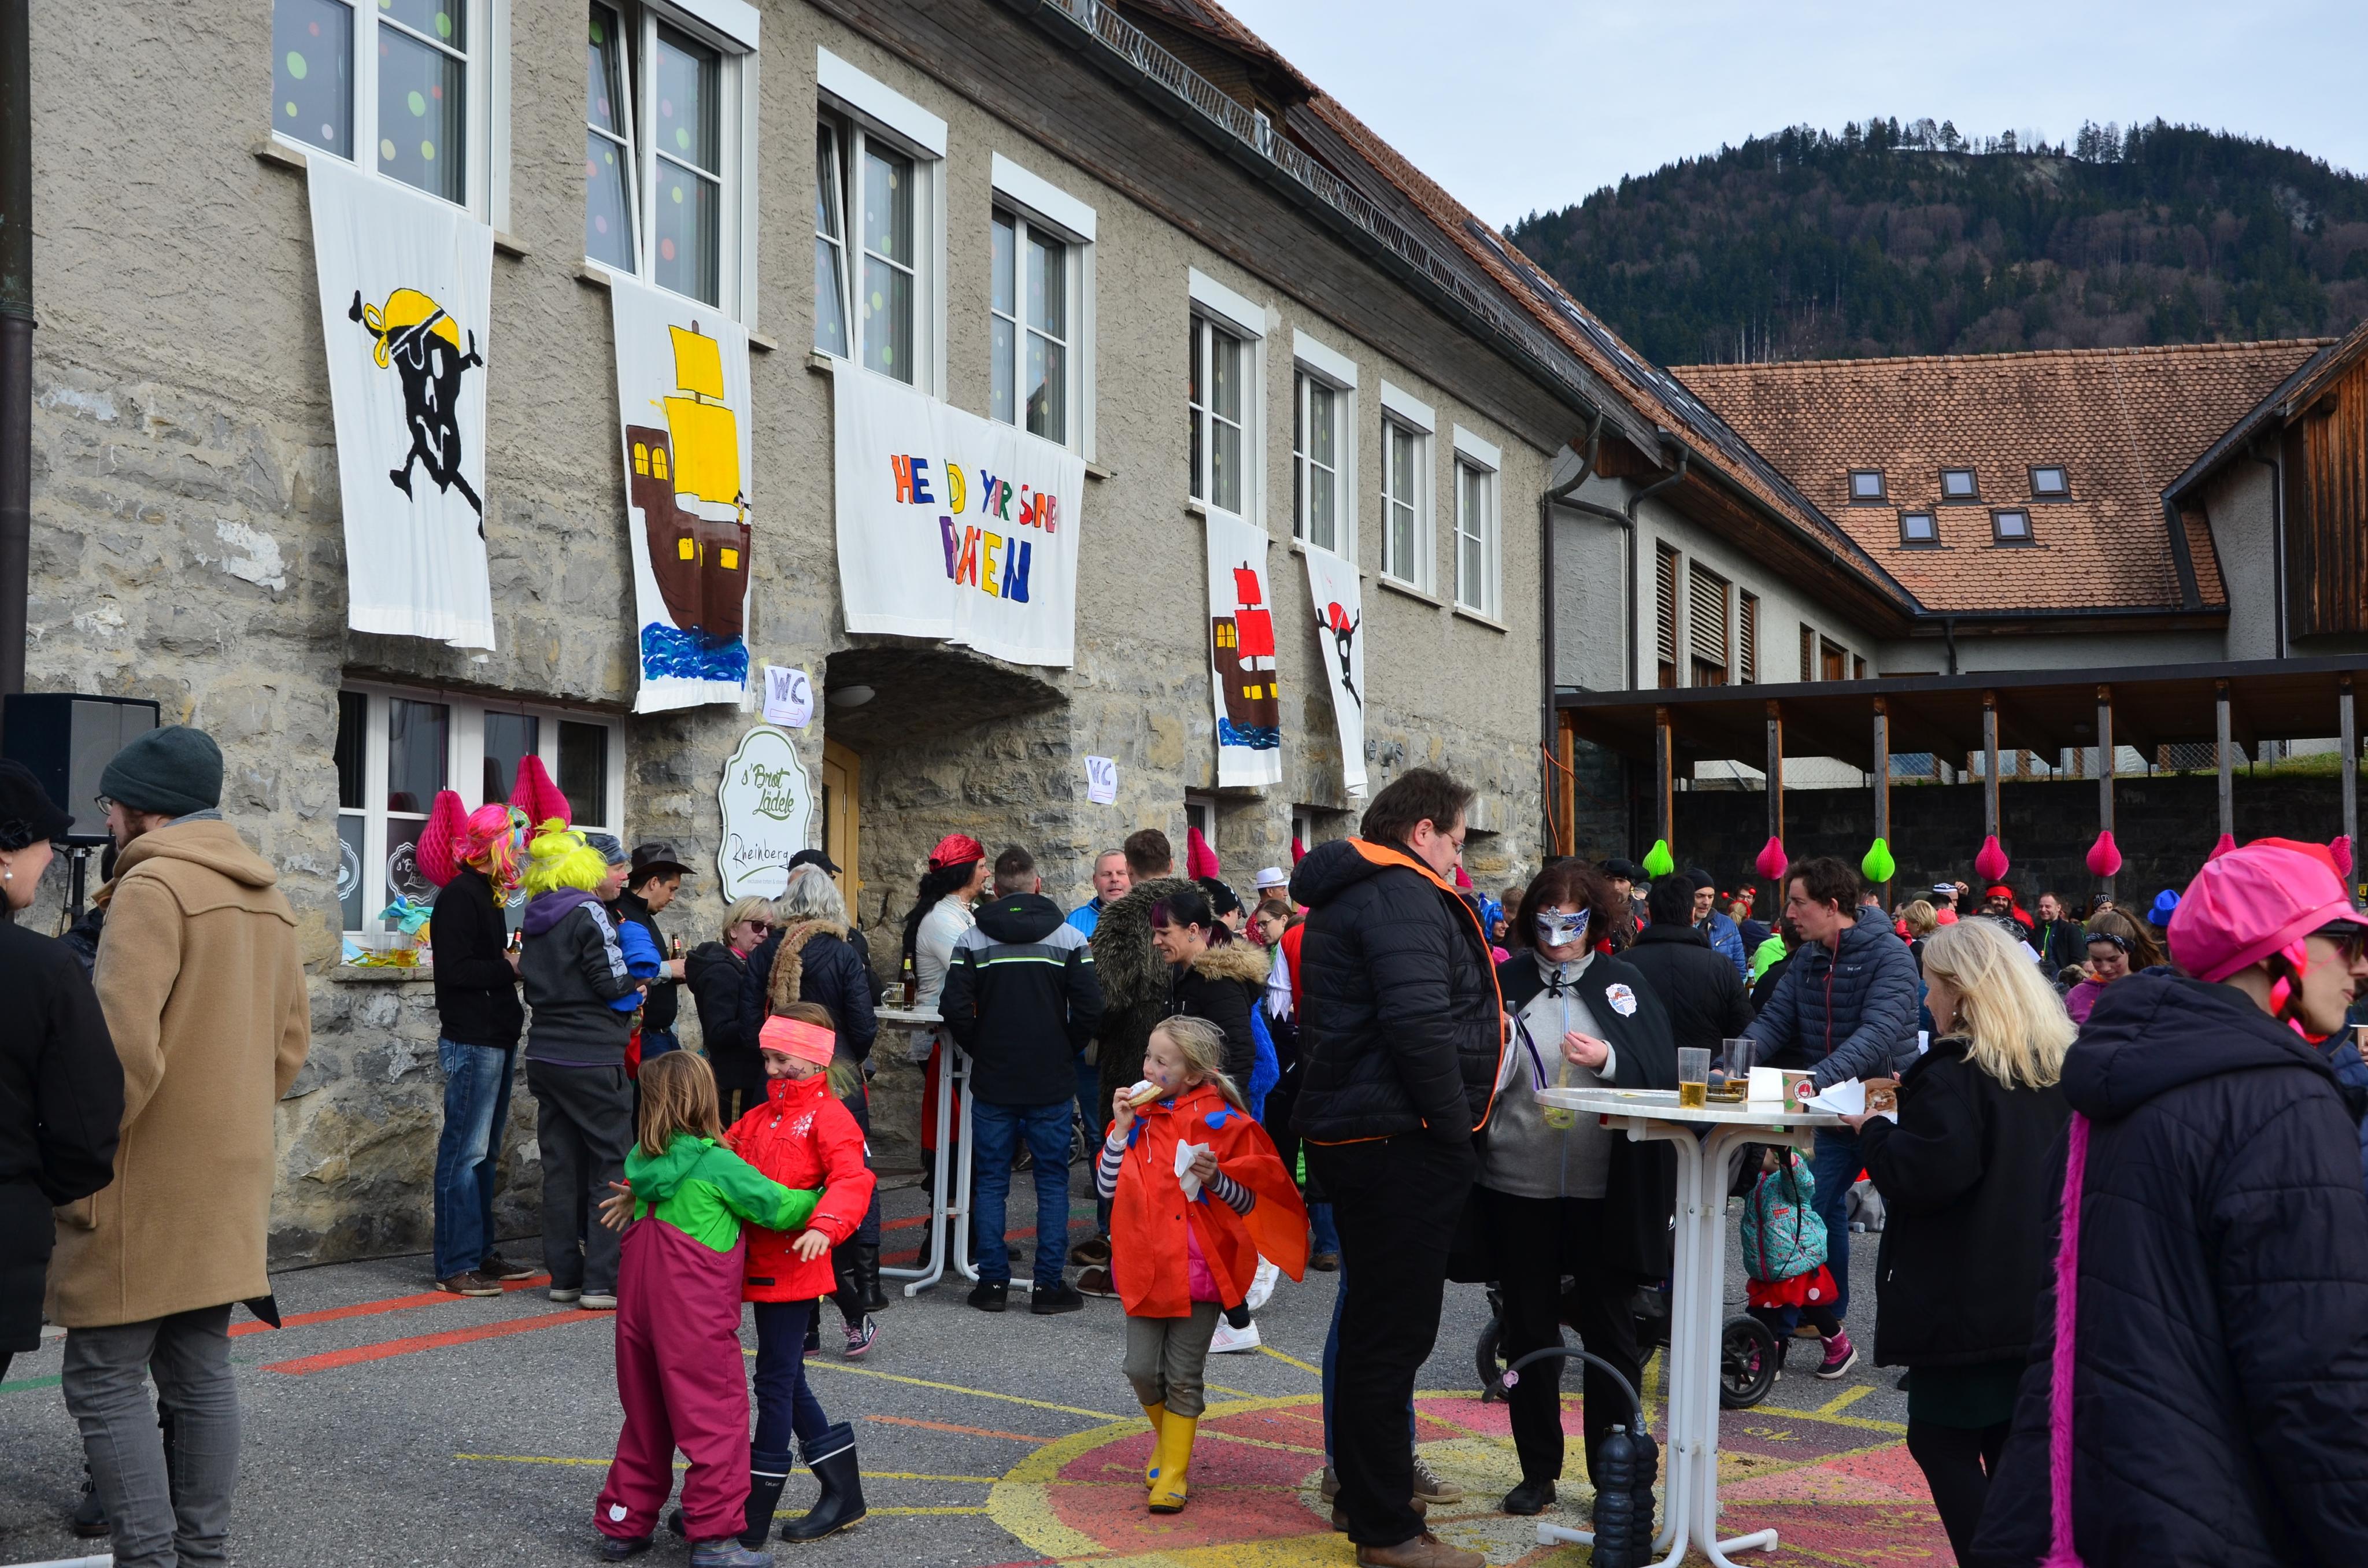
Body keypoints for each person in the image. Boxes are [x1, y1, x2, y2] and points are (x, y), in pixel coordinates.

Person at [1972, 838, 2368, 1566]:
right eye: (2341, 940)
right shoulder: (2284, 1102)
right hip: (2218, 1518)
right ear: (2271, 952)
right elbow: (2318, 1377)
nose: (2360, 966)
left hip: (2089, 1506)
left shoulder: (2110, 1085)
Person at [54, 726, 310, 1568]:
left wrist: (76, 1160)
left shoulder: (152, 888)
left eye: (112, 804)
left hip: (141, 1175)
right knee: (199, 1369)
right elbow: (289, 1048)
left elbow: (120, 1054)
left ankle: (150, 1558)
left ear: (144, 809)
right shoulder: (268, 896)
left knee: (103, 1372)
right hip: (228, 1174)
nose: (108, 820)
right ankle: (201, 1557)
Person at [1292, 768, 1500, 1568]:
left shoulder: (1358, 890)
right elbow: (1418, 1023)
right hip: (1398, 1139)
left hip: (1362, 1134)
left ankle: (1365, 1494)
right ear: (1422, 832)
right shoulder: (1402, 893)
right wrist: (1454, 1131)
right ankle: (1387, 1531)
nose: (1459, 856)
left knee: (1372, 1330)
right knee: (1391, 1338)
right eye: (1456, 839)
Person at [1832, 916, 2073, 1563]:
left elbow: (1922, 1176)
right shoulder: (2052, 1065)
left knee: (1939, 1439)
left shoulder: (1954, 1074)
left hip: (1966, 1297)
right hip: (2038, 1291)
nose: (1926, 999)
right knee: (2006, 1442)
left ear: (1961, 993)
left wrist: (1874, 1129)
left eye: (1932, 986)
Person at [614, 1007, 879, 1547]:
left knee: (774, 1382)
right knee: (785, 1378)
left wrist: (825, 1224)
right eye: (767, 1059)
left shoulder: (831, 1118)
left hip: (796, 1267)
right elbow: (701, 1160)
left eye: (782, 1058)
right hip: (759, 1268)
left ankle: (752, 1510)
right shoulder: (759, 1117)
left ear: (816, 1059)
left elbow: (852, 1178)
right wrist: (643, 1193)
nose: (772, 1069)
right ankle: (842, 1491)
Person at [1483, 859, 1678, 1515]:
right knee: (1528, 1333)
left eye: (1571, 924)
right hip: (1518, 1182)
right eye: (1545, 923)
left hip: (1603, 1190)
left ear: (1594, 922)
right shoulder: (1506, 982)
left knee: (1611, 1332)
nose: (1557, 938)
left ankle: (1611, 1473)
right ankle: (1537, 1471)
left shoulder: (1624, 983)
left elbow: (1661, 1071)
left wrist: (1611, 1059)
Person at [591, 1051, 817, 1568]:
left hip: (637, 1316)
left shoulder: (641, 1164)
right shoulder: (717, 1164)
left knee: (645, 1418)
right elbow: (779, 1207)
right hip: (694, 1320)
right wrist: (825, 1196)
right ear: (704, 1100)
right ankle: (715, 1539)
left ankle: (624, 1524)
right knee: (717, 1421)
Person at [1098, 1016, 1305, 1515]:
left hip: (1204, 1271)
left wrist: (1216, 1179)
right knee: (1140, 1369)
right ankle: (1168, 1444)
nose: (1148, 1068)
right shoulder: (1137, 1121)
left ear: (1193, 1074)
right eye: (1148, 1057)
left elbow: (1252, 1200)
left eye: (1161, 1061)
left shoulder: (1227, 1123)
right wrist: (1119, 1132)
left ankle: (1173, 1473)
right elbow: (1106, 1189)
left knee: (1184, 1377)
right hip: (1146, 1265)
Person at [1744, 856, 1919, 1338]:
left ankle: (1911, 1336)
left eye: (1798, 903)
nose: (1789, 914)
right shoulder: (1807, 957)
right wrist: (1731, 1065)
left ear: (1832, 905)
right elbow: (1774, 1021)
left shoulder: (1891, 955)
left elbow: (1877, 1034)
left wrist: (1814, 1082)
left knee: (1908, 1227)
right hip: (1830, 1106)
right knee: (1806, 1205)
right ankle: (1802, 1319)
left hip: (1886, 1103)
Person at [939, 845, 1102, 1315]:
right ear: (1037, 885)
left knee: (992, 1179)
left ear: (995, 889)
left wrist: (982, 1046)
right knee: (1052, 1180)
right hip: (1051, 1078)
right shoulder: (1070, 937)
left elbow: (954, 1008)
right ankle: (1048, 1287)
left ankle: (992, 1284)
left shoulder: (973, 939)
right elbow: (1091, 1008)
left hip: (994, 1078)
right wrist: (1065, 1047)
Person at [0, 762, 121, 1385]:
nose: (52, 857)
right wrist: (36, 1190)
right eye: (43, 841)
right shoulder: (41, 969)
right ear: (5, 852)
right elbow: (87, 1121)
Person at [745, 863, 885, 1348]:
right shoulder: (844, 951)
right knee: (847, 1176)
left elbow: (749, 1016)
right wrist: (844, 1057)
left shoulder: (766, 951)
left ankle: (807, 1322)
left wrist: (770, 1060)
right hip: (835, 1069)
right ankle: (867, 1284)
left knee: (789, 1185)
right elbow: (863, 1023)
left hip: (785, 1075)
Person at [520, 823, 645, 1311]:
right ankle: (602, 1282)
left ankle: (565, 1278)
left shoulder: (536, 912)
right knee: (610, 1164)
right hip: (592, 1054)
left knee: (561, 1167)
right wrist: (637, 987)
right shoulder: (588, 910)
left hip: (544, 1053)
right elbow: (611, 980)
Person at [1078, 829, 1194, 1297]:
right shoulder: (1197, 905)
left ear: (1129, 868)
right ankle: (1185, 1258)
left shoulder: (1123, 917)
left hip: (1135, 1053)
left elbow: (1109, 997)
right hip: (1192, 1050)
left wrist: (1092, 1029)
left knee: (1128, 1153)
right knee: (1183, 1153)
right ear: (1171, 863)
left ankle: (1123, 1256)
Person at [428, 803, 530, 1296]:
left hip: (494, 1035)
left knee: (485, 1154)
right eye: (517, 843)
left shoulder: (486, 894)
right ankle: (456, 1263)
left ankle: (480, 1253)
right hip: (472, 1038)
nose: (522, 853)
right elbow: (454, 971)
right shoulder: (459, 895)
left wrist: (506, 965)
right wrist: (508, 967)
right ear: (498, 845)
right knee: (464, 1153)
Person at [901, 834, 987, 1219]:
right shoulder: (941, 919)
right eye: (982, 866)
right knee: (954, 1138)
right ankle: (947, 1232)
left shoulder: (964, 913)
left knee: (970, 1137)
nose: (987, 873)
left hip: (960, 1039)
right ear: (966, 872)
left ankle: (970, 1227)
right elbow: (975, 970)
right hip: (944, 1042)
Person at [1738, 1147, 1848, 1375]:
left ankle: (1769, 1359)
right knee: (1786, 1306)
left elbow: (1804, 1185)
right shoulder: (1755, 1174)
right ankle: (1777, 1356)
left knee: (1783, 1308)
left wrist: (1786, 1158)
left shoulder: (1789, 1173)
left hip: (1795, 1257)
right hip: (1768, 1262)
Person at [1623, 872, 1753, 1061]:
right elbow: (1743, 1029)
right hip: (1706, 1070)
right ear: (1692, 915)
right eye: (1701, 896)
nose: (1706, 902)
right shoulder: (1721, 966)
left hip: (1642, 1071)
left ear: (1650, 913)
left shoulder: (1623, 965)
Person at [1153, 885, 1264, 1086]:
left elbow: (1239, 1054)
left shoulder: (1218, 982)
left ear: (1193, 931)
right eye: (1155, 933)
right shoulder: (1181, 974)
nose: (1156, 941)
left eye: (1164, 933)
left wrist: (1218, 1101)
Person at [688, 896, 772, 1125]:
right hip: (735, 1080)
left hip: (750, 1077)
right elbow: (719, 1031)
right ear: (733, 929)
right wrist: (764, 1022)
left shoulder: (750, 967)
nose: (765, 934)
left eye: (770, 928)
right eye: (757, 926)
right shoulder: (722, 971)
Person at [616, 842, 694, 1060]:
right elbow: (622, 970)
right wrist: (669, 970)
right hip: (643, 1035)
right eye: (672, 889)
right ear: (654, 883)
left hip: (659, 1034)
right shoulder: (621, 913)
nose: (673, 897)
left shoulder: (643, 914)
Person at [2062, 907, 2162, 1025]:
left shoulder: (2152, 991)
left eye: (2113, 959)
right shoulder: (2077, 995)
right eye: (2096, 960)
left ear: (2129, 950)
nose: (2105, 968)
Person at [1686, 867, 1748, 978]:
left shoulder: (1728, 925)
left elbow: (1740, 971)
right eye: (1700, 896)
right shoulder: (1673, 925)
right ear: (1686, 896)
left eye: (1711, 897)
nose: (1706, 902)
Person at [2030, 892, 2085, 972]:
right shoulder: (2036, 930)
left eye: (2048, 906)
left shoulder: (2070, 930)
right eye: (2041, 906)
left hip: (2063, 977)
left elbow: (2078, 960)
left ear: (2058, 908)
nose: (2043, 910)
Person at [1597, 858, 1641, 951]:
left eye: (1621, 881)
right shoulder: (1594, 917)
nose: (1615, 887)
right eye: (1610, 880)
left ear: (1632, 886)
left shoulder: (1638, 924)